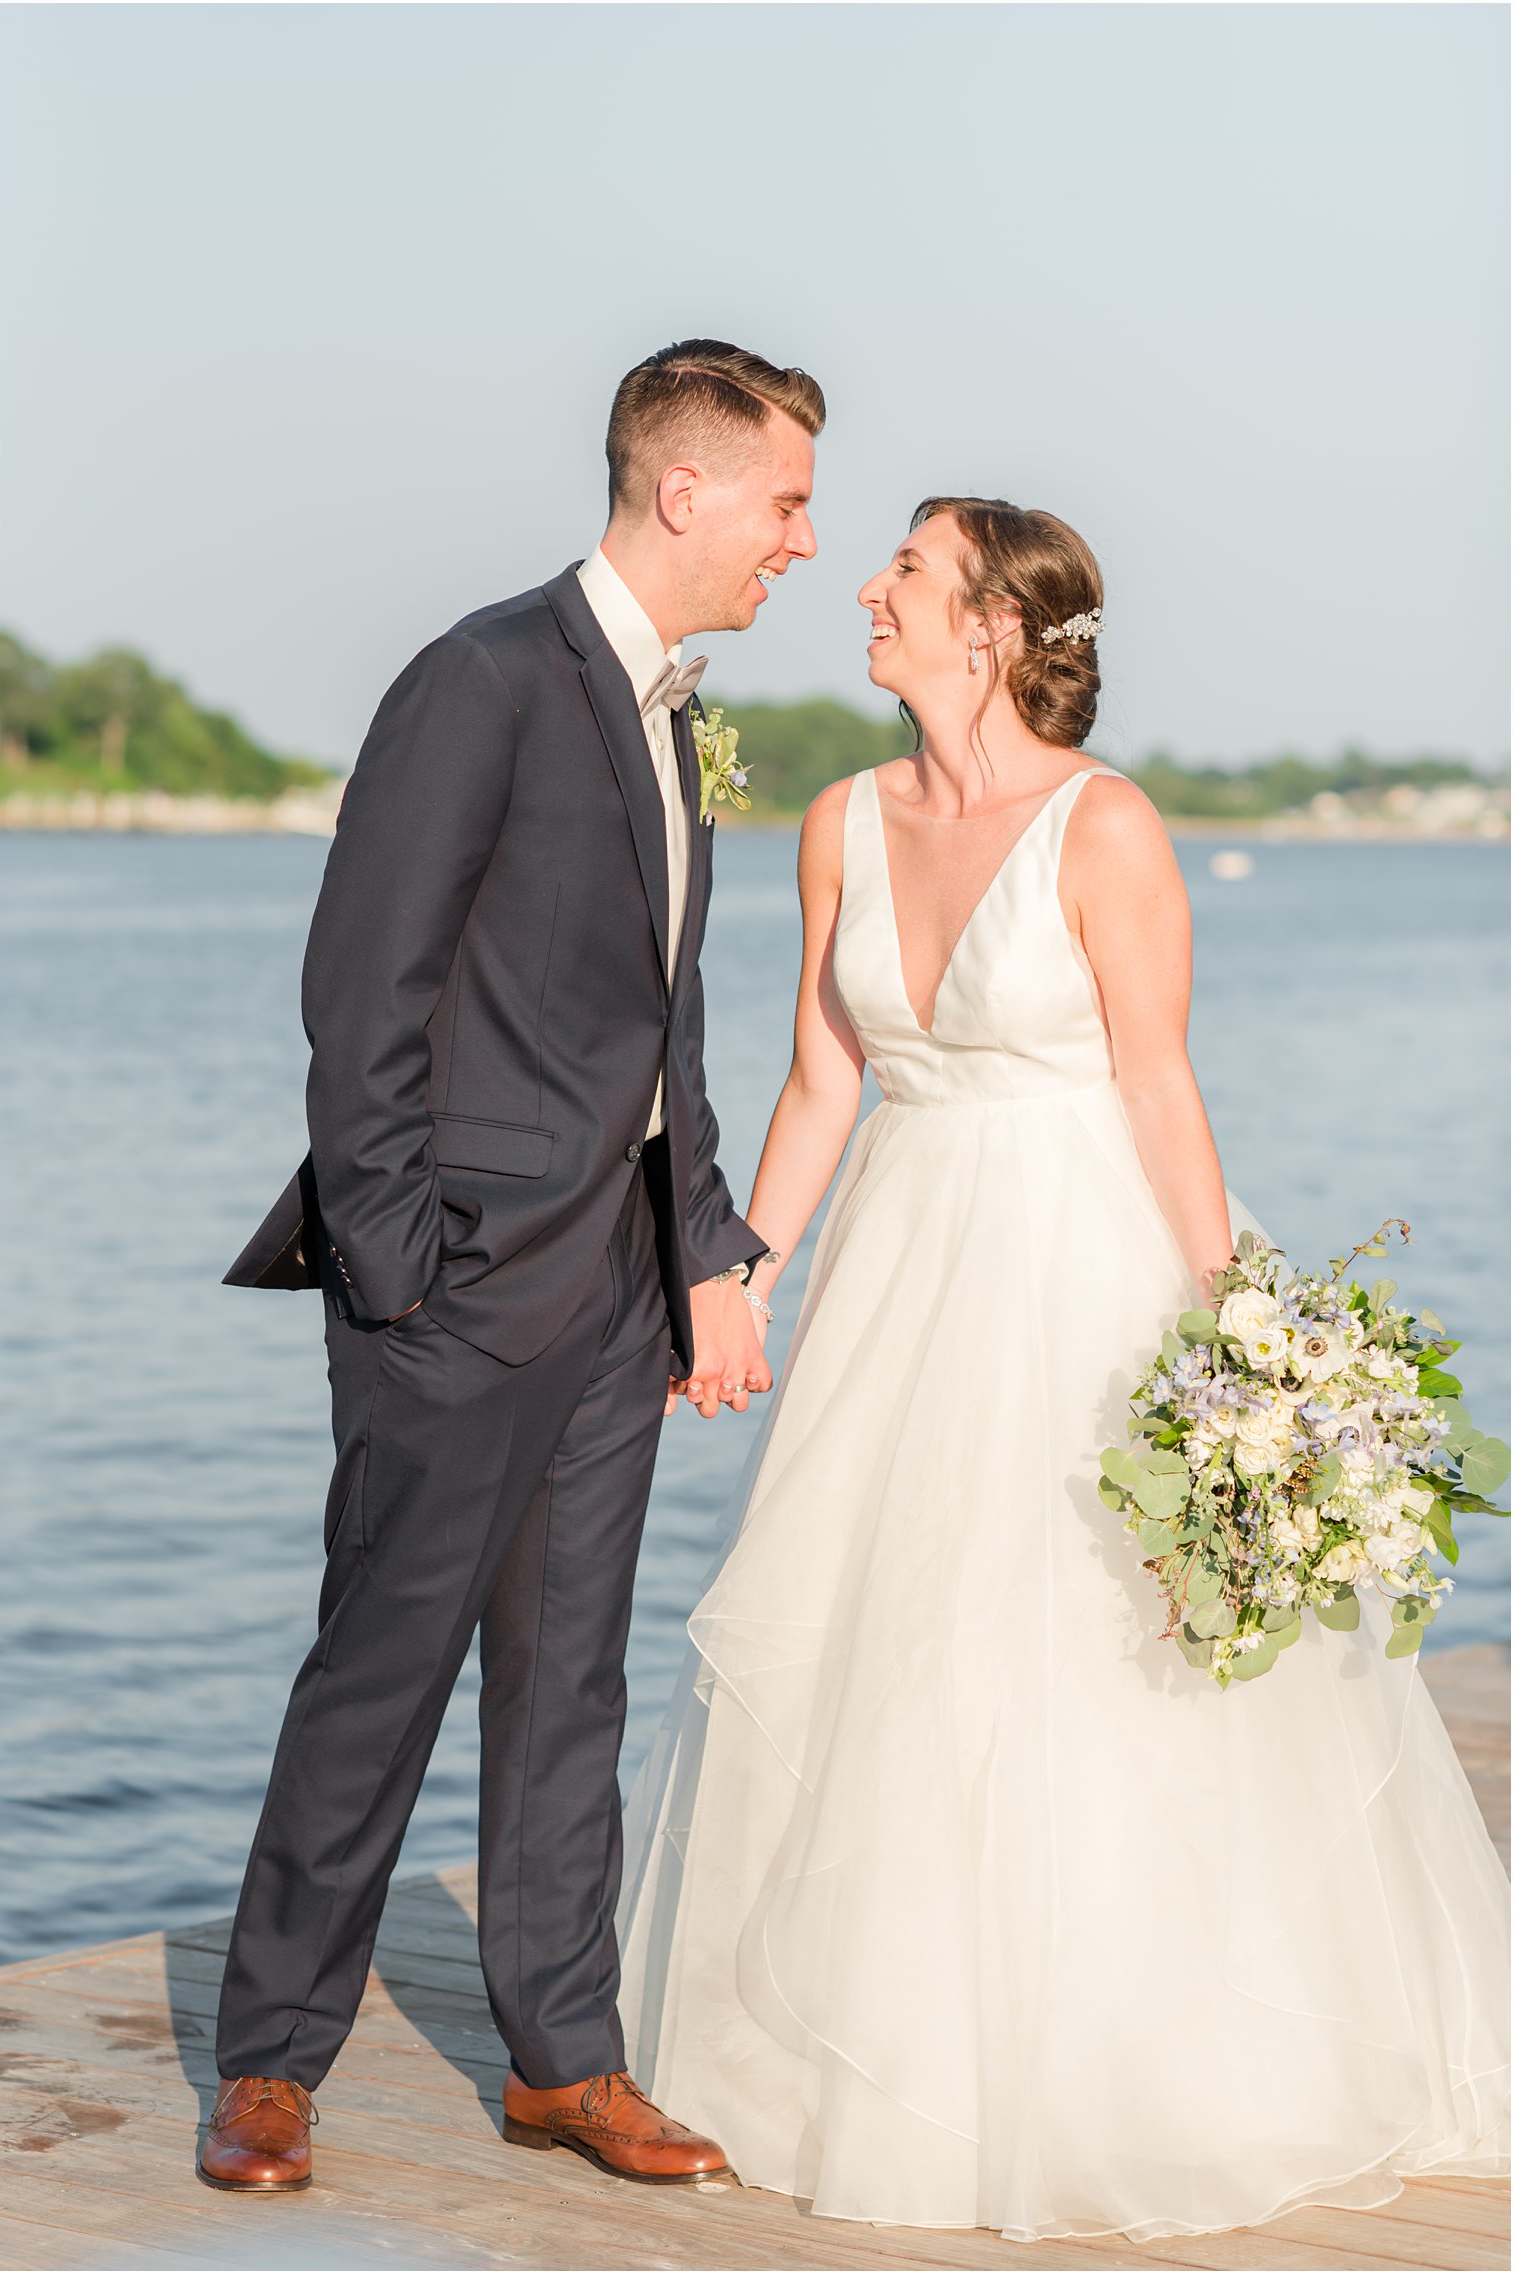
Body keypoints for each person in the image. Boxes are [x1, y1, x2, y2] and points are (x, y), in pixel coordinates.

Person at [616, 497, 1511, 2240]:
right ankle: (880, 2044)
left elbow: (1162, 1090)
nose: (866, 589)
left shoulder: (1107, 829)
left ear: (994, 631)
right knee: (891, 1641)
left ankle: (1132, 2058)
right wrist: (738, 1280)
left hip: (1082, 1266)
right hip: (897, 1279)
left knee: (1085, 1655)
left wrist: (1259, 1348)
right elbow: (820, 1083)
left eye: (907, 573)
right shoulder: (834, 821)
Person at [200, 339, 824, 2194]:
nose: (804, 537)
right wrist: (398, 1270)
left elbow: (670, 1016)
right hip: (456, 1287)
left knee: (575, 1684)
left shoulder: (677, 713)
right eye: (788, 500)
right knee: (381, 1668)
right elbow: (360, 992)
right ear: (683, 486)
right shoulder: (477, 679)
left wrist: (702, 1249)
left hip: (620, 1288)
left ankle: (564, 2054)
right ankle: (268, 2057)